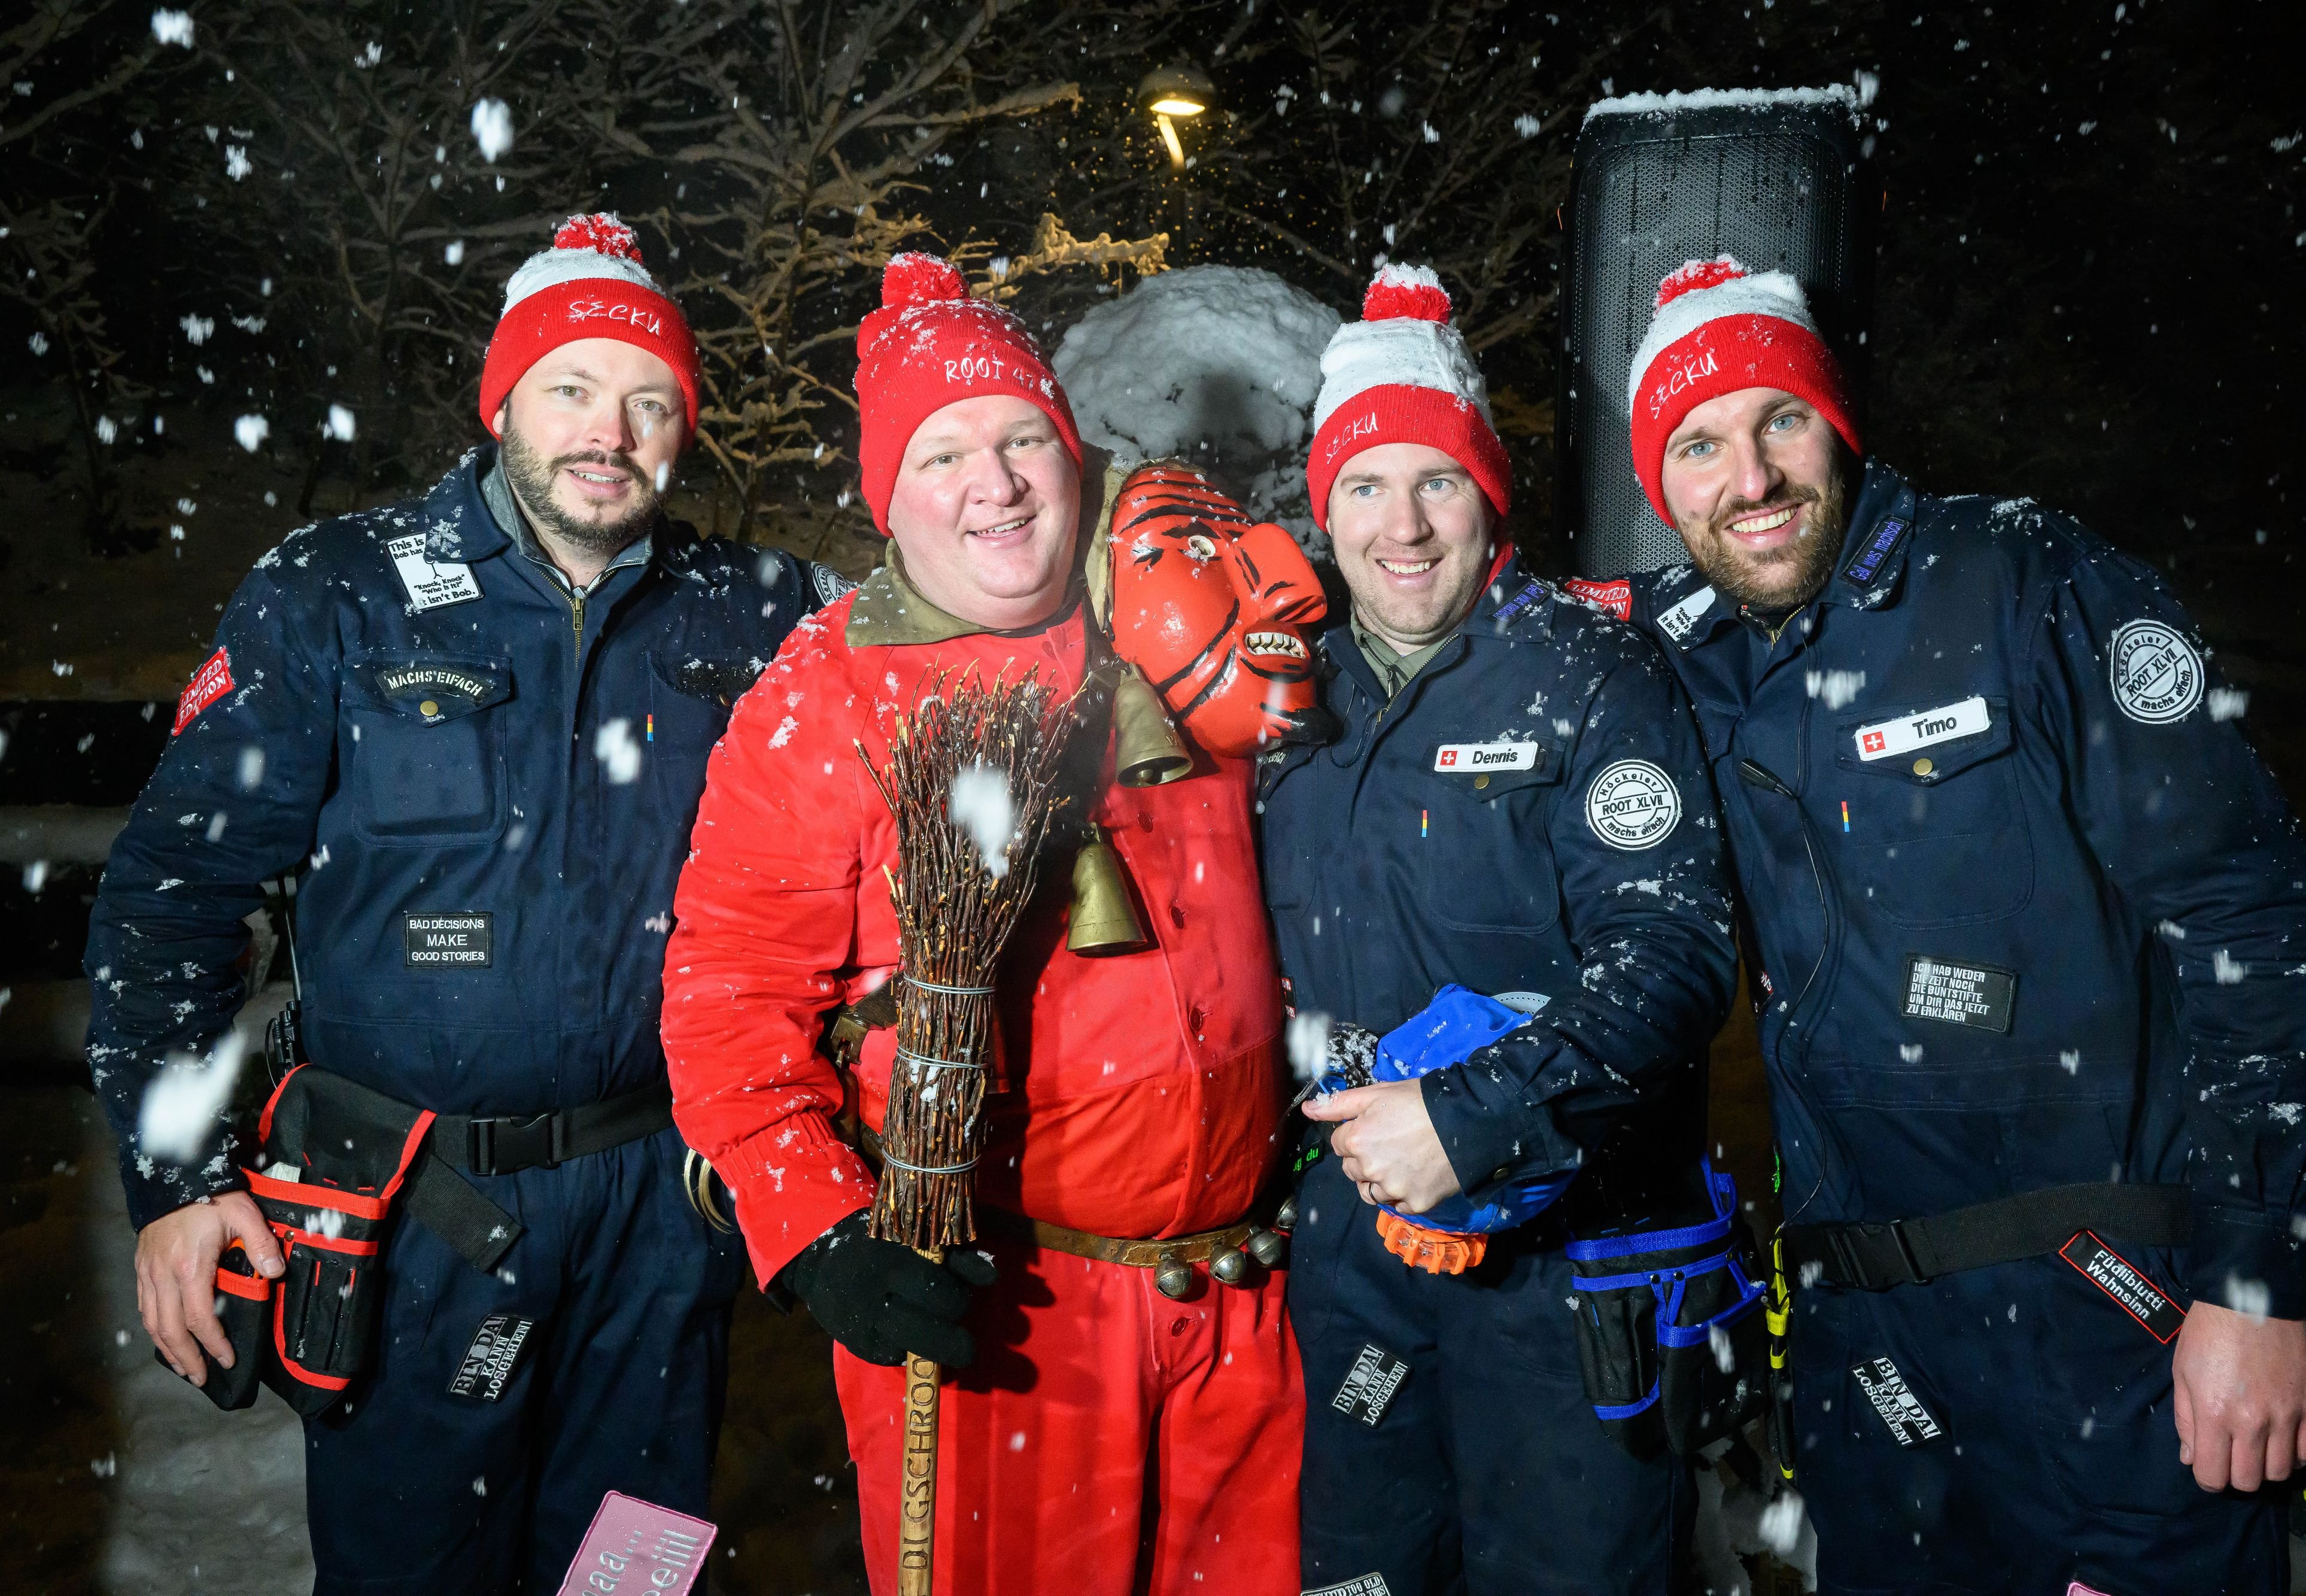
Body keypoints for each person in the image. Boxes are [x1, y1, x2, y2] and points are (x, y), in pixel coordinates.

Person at [84, 212, 837, 1591]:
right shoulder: (338, 596)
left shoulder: (757, 614)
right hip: (411, 1207)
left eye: (650, 400)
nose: (609, 432)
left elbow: (955, 646)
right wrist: (178, 1180)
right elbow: (170, 896)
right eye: (571, 388)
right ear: (500, 400)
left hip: (661, 1215)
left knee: (636, 1568)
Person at [1602, 254, 2306, 1595]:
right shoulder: (1675, 662)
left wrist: (2254, 1282)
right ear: (1658, 487)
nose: (1750, 478)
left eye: (1778, 419)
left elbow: (2258, 928)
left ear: (1835, 422)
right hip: (1866, 1369)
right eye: (1697, 444)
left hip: (2115, 1333)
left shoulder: (2026, 585)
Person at [660, 253, 1305, 1595]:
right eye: (943, 453)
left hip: (1244, 1299)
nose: (996, 483)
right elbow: (727, 998)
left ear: (1072, 453)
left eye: (1022, 438)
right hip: (1006, 1312)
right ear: (888, 497)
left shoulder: (1174, 631)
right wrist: (819, 1227)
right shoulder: (823, 699)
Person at [1260, 264, 1741, 1596]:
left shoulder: (1591, 671)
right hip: (1352, 1264)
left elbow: (1672, 953)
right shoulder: (1287, 692)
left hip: (1565, 1267)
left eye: (1437, 482)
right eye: (1363, 484)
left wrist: (1472, 1118)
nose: (1401, 525)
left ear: (1488, 496)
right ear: (1324, 504)